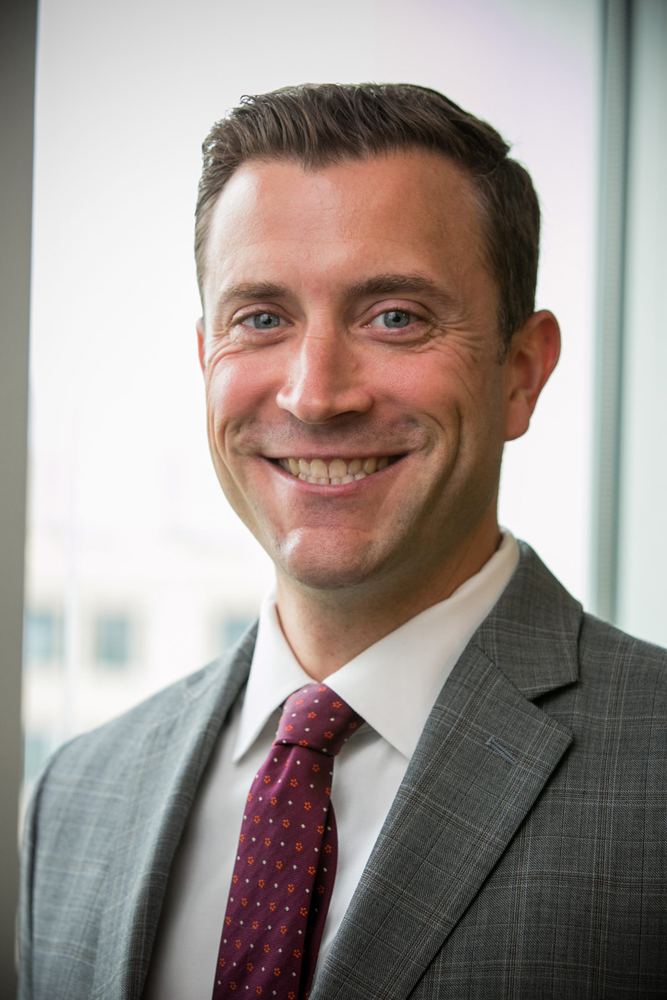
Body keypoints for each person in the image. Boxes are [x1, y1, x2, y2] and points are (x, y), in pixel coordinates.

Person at [18, 84, 667, 1000]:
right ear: (206, 358)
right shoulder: (75, 796)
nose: (316, 394)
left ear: (520, 374)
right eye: (262, 318)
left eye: (394, 316)